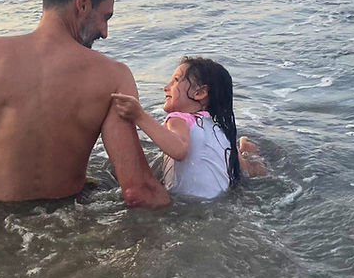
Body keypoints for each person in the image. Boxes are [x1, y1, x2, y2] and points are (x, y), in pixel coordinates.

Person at [0, 0, 170, 208]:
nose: (105, 33)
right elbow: (137, 190)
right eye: (106, 17)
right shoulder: (113, 76)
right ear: (83, 2)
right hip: (68, 225)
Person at [110, 57, 266, 199]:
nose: (166, 87)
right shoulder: (219, 130)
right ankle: (248, 152)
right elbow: (246, 171)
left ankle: (246, 150)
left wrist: (139, 116)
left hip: (191, 208)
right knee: (244, 163)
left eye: (176, 80)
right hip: (222, 202)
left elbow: (179, 150)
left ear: (199, 92)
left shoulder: (178, 119)